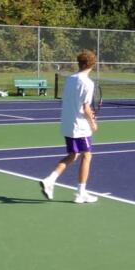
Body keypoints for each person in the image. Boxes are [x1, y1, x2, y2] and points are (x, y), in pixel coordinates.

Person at [40, 50, 99, 203]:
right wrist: (92, 123)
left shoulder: (70, 79)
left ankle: (50, 180)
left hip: (67, 123)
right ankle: (80, 193)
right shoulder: (88, 83)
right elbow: (86, 108)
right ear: (93, 64)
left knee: (74, 155)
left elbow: (77, 103)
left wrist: (87, 114)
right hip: (80, 126)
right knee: (87, 156)